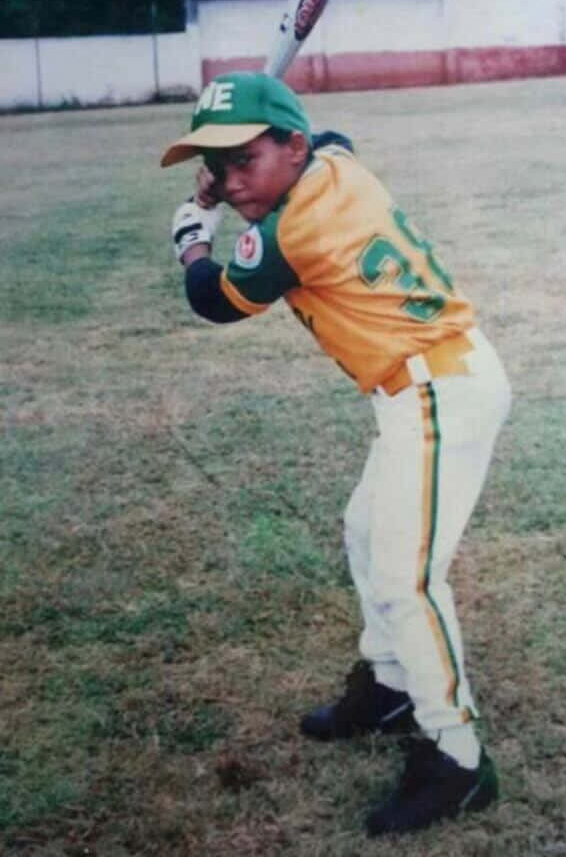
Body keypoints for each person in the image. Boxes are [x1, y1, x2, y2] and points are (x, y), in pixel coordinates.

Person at [161, 71, 511, 837]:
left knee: (406, 578)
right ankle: (388, 684)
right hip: (423, 383)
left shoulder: (291, 231)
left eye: (243, 161)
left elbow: (214, 299)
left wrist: (194, 229)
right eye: (217, 165)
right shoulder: (335, 164)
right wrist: (241, 171)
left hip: (436, 390)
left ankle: (456, 758)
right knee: (363, 529)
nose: (231, 180)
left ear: (292, 147)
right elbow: (333, 139)